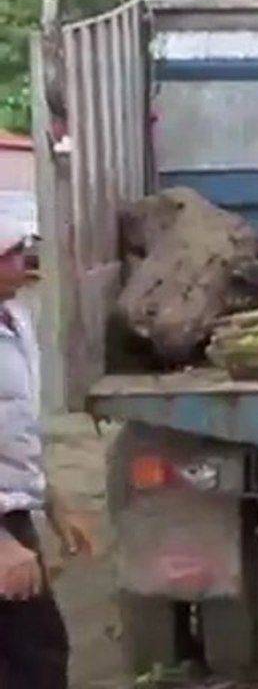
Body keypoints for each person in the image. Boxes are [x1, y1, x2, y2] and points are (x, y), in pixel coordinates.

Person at [0, 220, 94, 688]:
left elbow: (16, 431)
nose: (24, 261)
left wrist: (52, 501)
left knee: (37, 655)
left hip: (14, 514)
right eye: (12, 254)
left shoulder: (15, 319)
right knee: (34, 659)